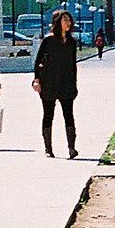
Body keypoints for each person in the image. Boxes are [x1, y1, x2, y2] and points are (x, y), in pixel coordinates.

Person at [33, 9, 79, 157]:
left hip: (66, 84)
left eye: (69, 20)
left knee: (69, 115)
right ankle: (48, 149)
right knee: (48, 115)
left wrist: (74, 84)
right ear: (57, 22)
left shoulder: (71, 42)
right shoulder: (49, 40)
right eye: (65, 20)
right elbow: (37, 61)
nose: (68, 23)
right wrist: (36, 80)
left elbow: (73, 65)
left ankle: (71, 148)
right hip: (49, 83)